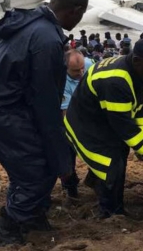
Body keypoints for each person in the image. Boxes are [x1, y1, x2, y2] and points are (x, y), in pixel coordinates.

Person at [0, 0, 89, 247]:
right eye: (82, 13)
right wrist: (62, 160)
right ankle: (8, 227)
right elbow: (46, 105)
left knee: (28, 165)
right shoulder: (48, 40)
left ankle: (32, 217)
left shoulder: (30, 22)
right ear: (75, 10)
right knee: (39, 170)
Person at [64, 39, 143, 218]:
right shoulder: (116, 81)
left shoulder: (138, 73)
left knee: (120, 151)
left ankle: (99, 185)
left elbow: (142, 112)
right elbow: (125, 128)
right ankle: (110, 212)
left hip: (102, 116)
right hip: (85, 122)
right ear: (137, 60)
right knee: (112, 162)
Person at [60, 50, 86, 199]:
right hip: (70, 121)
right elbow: (67, 114)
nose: (81, 72)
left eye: (82, 68)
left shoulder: (89, 66)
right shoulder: (62, 81)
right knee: (68, 157)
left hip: (89, 116)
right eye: (76, 71)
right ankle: (71, 189)